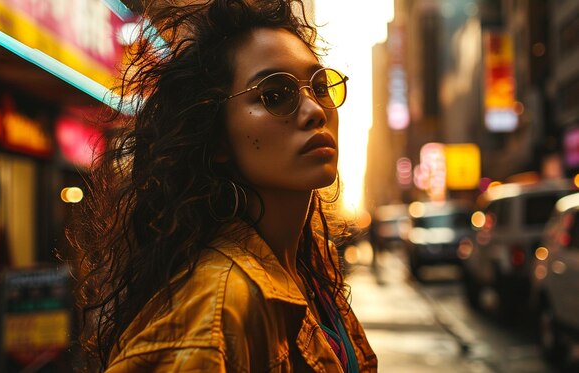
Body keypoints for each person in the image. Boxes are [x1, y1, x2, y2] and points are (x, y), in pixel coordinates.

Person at [68, 0, 378, 371]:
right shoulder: (214, 310)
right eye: (274, 95)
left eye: (319, 86)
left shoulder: (311, 266)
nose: (314, 110)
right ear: (216, 138)